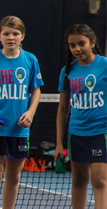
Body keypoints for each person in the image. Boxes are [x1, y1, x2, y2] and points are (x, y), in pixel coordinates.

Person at [0, 16, 42, 209]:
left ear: (22, 36)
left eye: (15, 33)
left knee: (14, 176)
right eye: (6, 33)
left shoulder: (30, 60)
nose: (10, 37)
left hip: (20, 129)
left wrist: (30, 113)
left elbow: (36, 89)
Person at [55, 24, 107, 209]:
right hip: (76, 133)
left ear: (92, 42)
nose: (77, 49)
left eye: (81, 43)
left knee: (100, 180)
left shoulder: (104, 66)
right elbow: (62, 109)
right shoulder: (67, 72)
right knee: (79, 180)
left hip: (101, 132)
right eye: (72, 45)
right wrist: (59, 143)